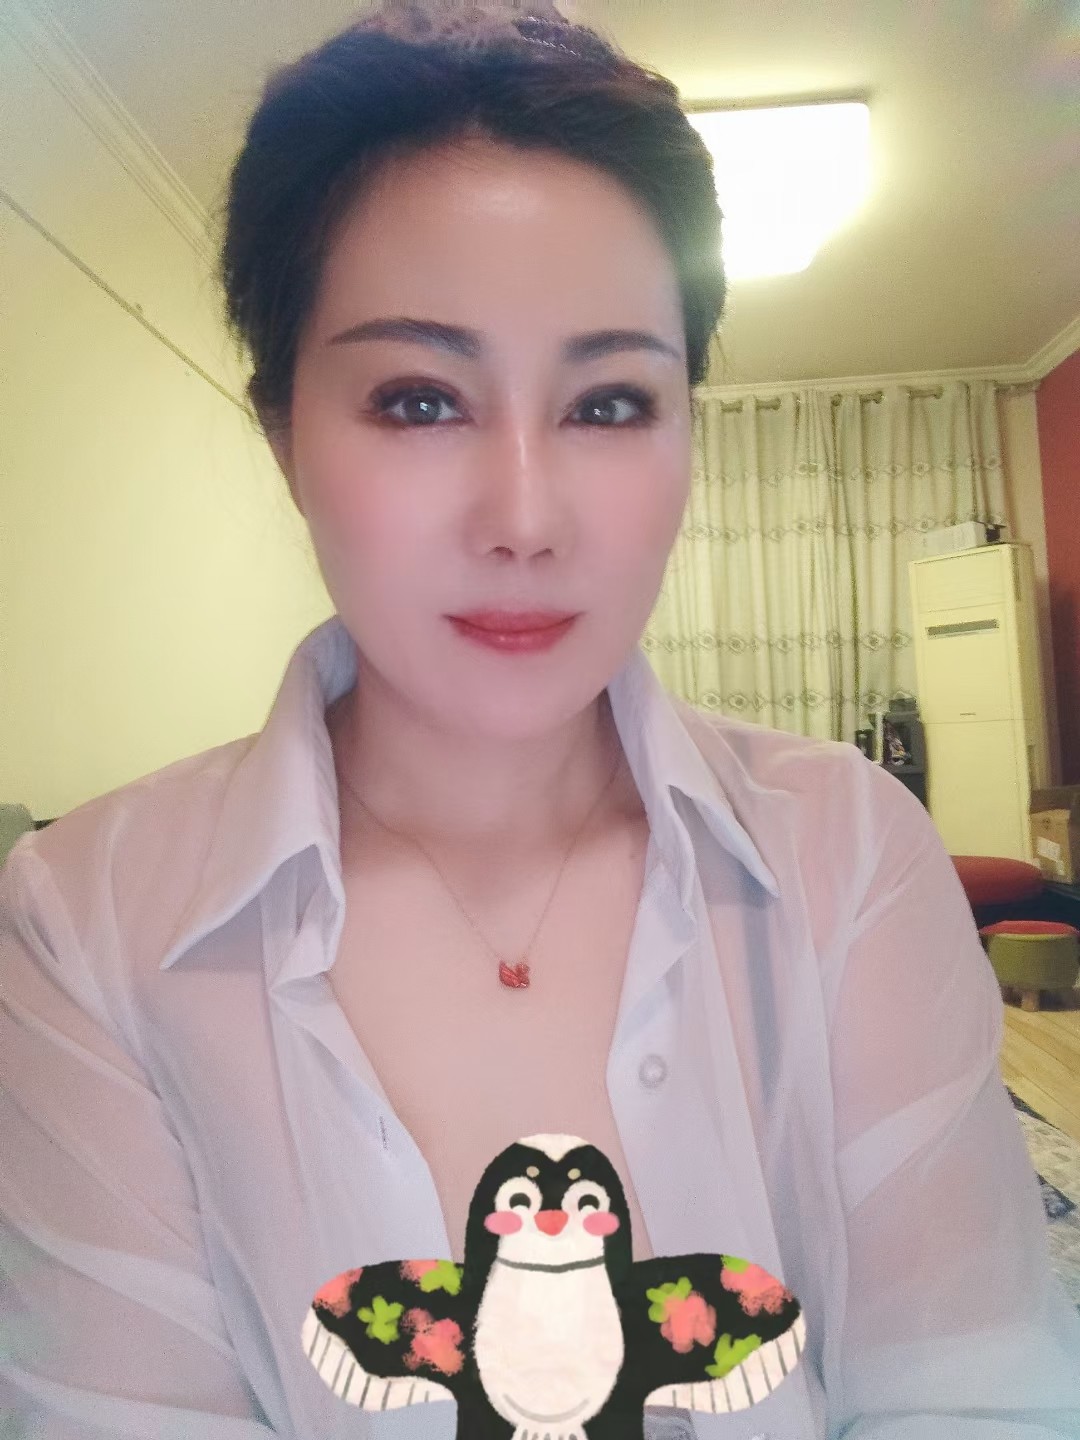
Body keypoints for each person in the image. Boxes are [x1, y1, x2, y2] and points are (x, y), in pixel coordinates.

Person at [2, 3, 1078, 1437]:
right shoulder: (85, 923)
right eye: (419, 400)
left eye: (610, 403)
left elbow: (976, 1391)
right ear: (283, 434)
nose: (524, 518)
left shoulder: (851, 854)